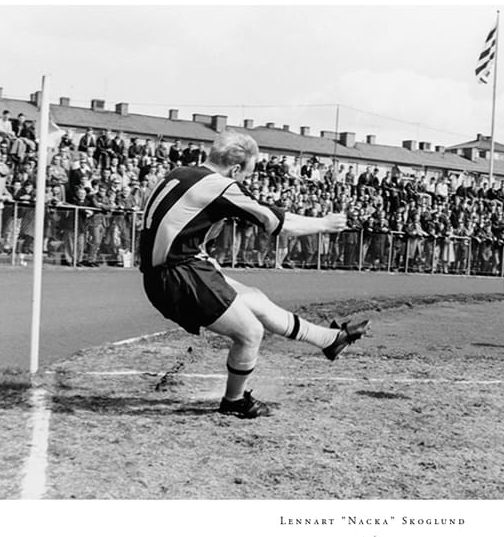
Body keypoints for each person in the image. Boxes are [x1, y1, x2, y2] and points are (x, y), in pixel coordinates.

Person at [139, 132, 369, 419]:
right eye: (245, 175)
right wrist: (324, 223)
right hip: (178, 274)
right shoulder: (221, 186)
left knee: (256, 300)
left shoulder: (181, 172)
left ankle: (330, 340)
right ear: (235, 169)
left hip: (181, 267)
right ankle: (234, 402)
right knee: (250, 332)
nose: (244, 182)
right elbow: (278, 223)